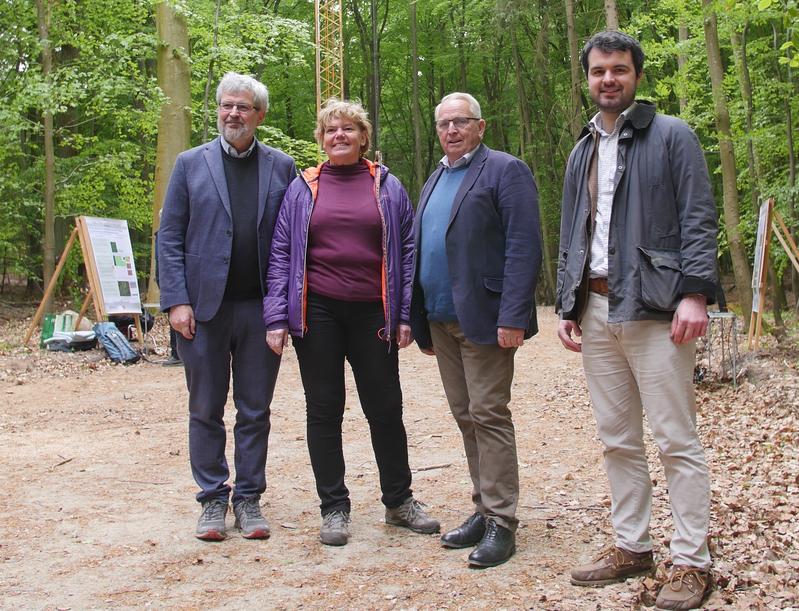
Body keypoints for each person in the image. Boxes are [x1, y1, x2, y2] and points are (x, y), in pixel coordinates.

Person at [556, 31, 718, 610]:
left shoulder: (671, 136)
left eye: (619, 70)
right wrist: (568, 302)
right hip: (596, 309)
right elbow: (573, 229)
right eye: (599, 71)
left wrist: (695, 294)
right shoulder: (581, 149)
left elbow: (699, 217)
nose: (608, 80)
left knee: (676, 439)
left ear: (636, 76)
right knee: (617, 439)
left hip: (656, 307)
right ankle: (633, 545)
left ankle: (693, 561)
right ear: (588, 78)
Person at [263, 99, 439, 547]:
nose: (338, 136)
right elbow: (282, 254)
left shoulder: (386, 186)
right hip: (316, 312)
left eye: (348, 129)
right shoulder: (302, 188)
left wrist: (402, 315)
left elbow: (407, 250)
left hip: (373, 312)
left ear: (364, 136)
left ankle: (399, 501)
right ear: (320, 140)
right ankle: (334, 508)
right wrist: (276, 316)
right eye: (329, 130)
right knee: (324, 410)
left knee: (385, 408)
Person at [158, 72, 297, 541]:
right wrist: (175, 300)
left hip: (261, 310)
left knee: (255, 409)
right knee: (205, 407)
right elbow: (170, 235)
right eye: (226, 106)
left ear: (259, 114)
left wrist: (286, 310)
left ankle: (249, 499)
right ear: (217, 110)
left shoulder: (282, 167)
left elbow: (295, 241)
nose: (233, 114)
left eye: (243, 107)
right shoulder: (189, 164)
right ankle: (213, 499)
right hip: (203, 311)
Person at [409, 92, 542, 567]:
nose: (451, 130)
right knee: (466, 416)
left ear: (480, 126)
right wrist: (418, 316)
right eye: (443, 123)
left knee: (488, 414)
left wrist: (513, 315)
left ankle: (502, 522)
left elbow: (524, 246)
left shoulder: (506, 170)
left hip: (486, 318)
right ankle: (483, 510)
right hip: (442, 319)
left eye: (460, 122)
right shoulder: (434, 179)